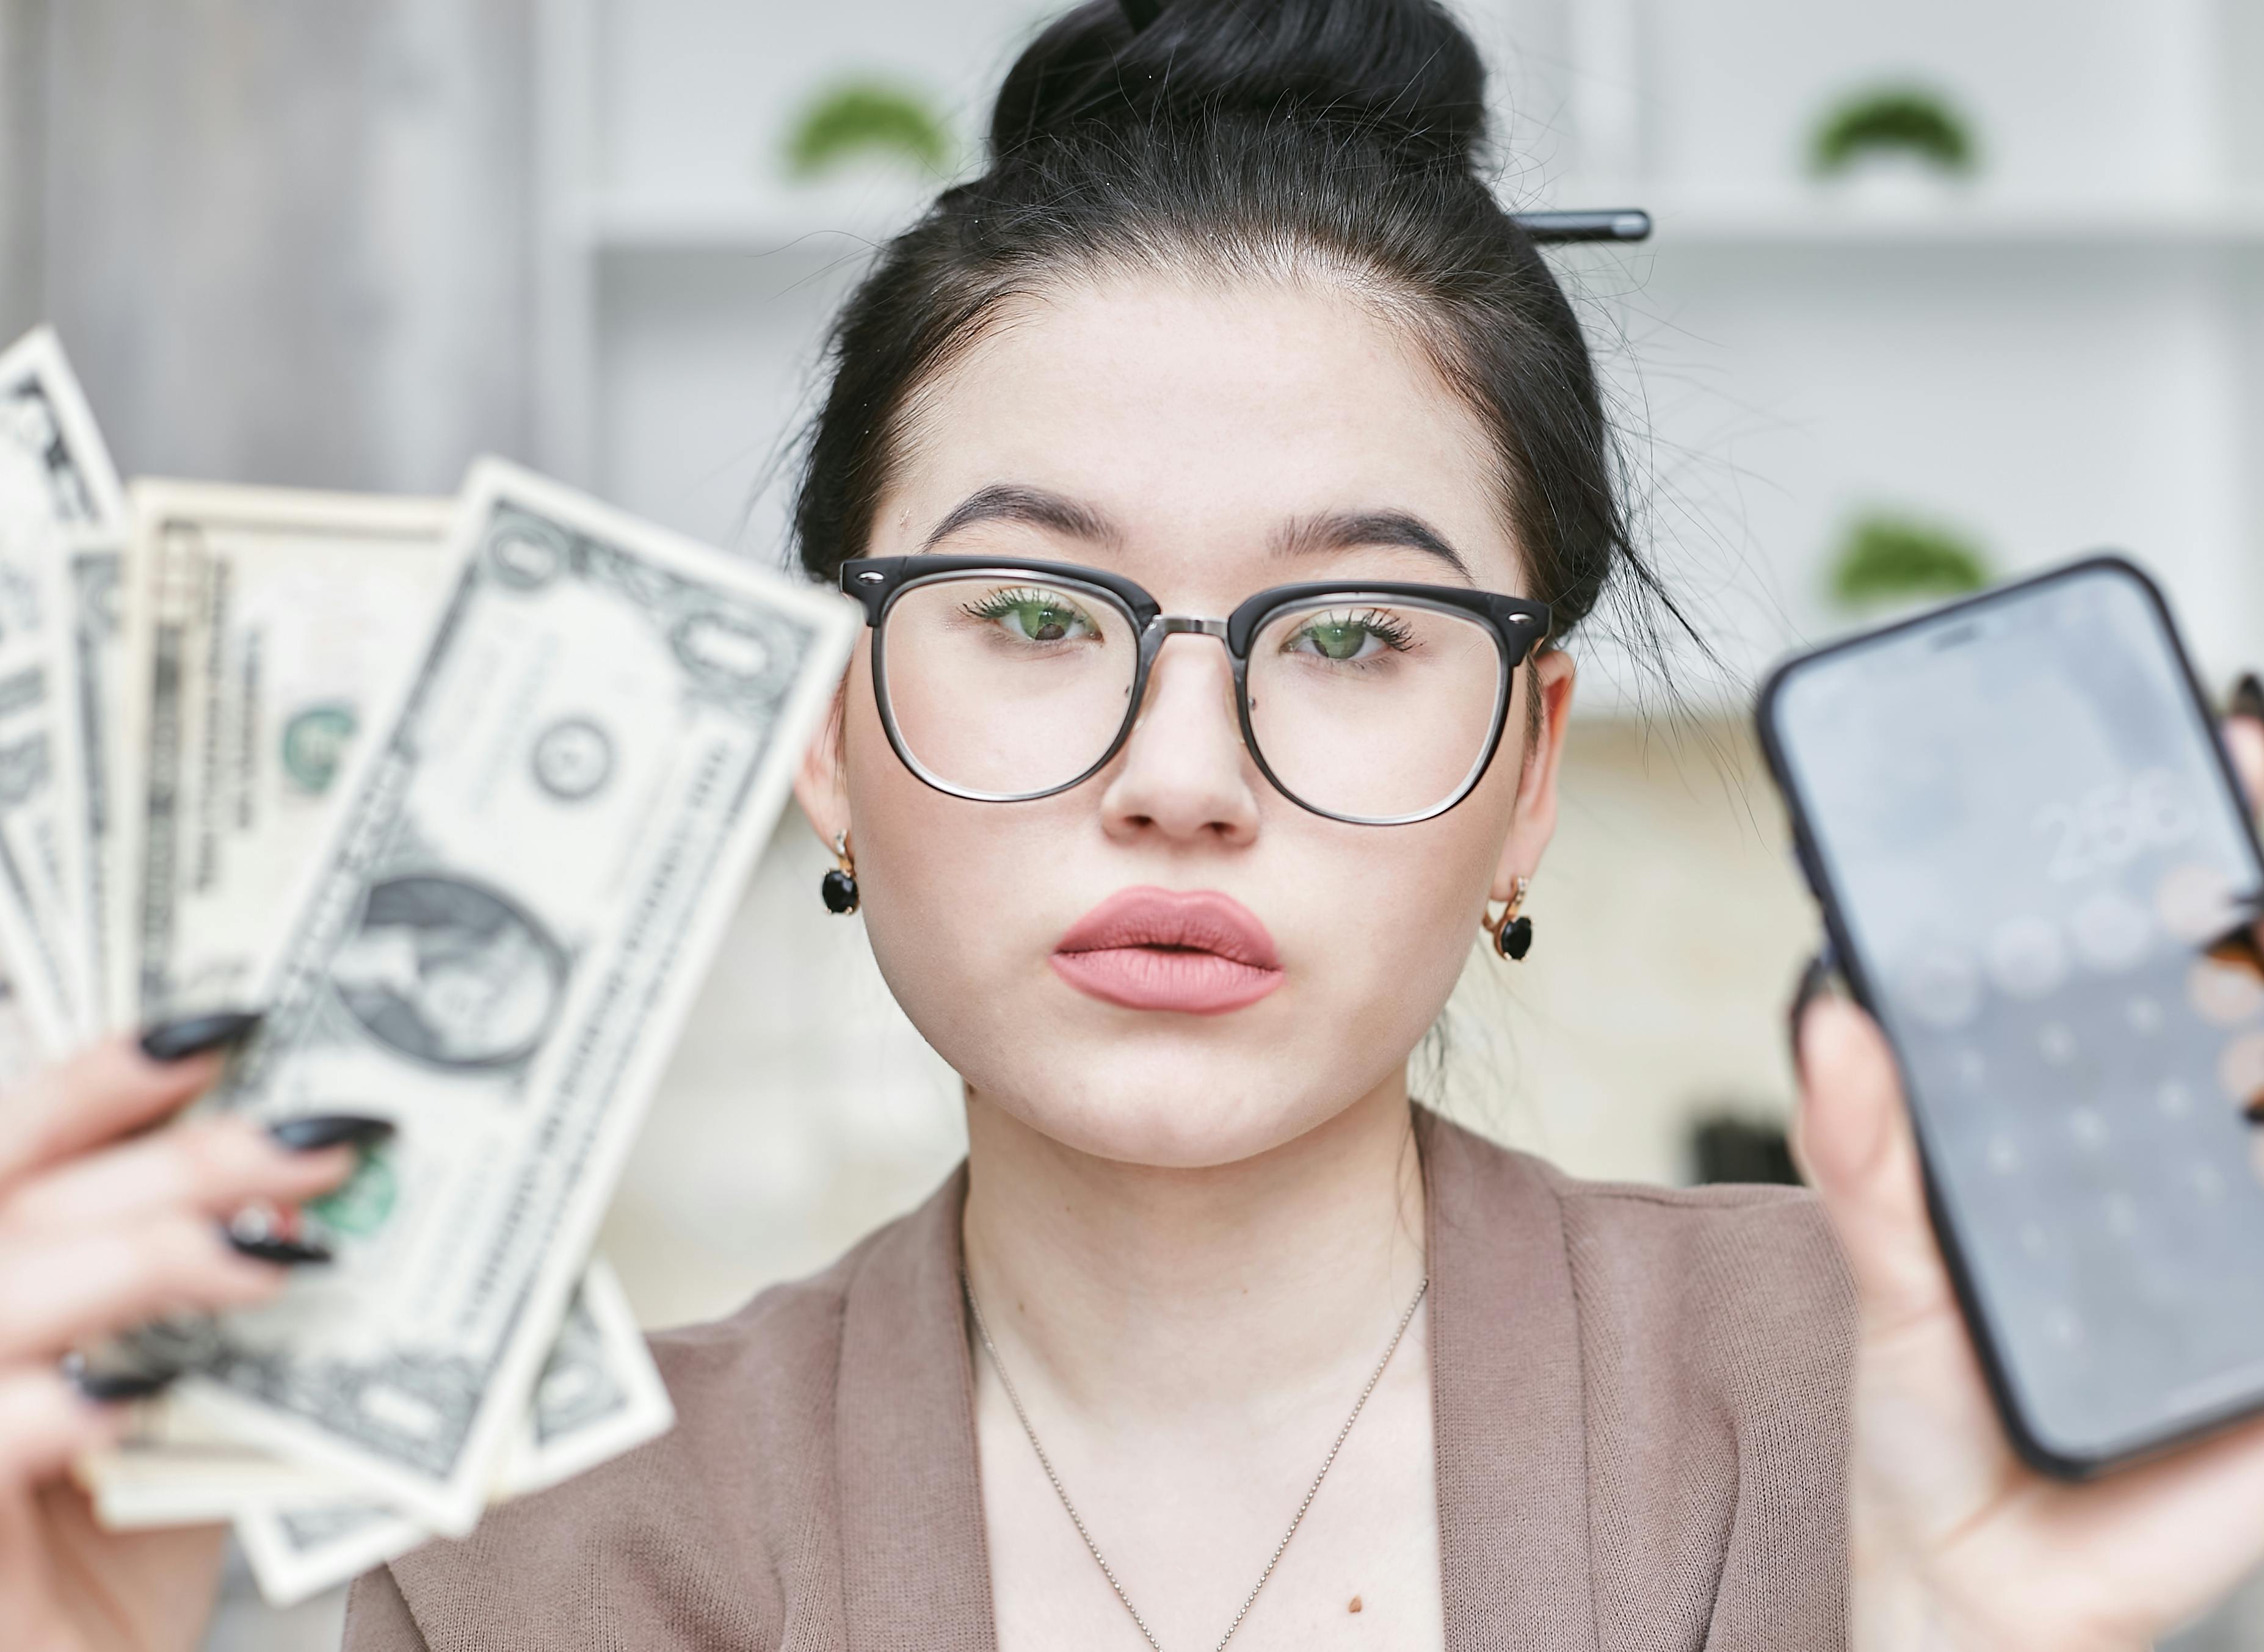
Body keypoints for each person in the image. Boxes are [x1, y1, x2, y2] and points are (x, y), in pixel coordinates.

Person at [12, 2, 2264, 1647]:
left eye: (1356, 633)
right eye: (1026, 607)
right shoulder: (537, 1552)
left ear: (1531, 772)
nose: (1178, 768)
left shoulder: (1891, 1376)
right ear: (824, 726)